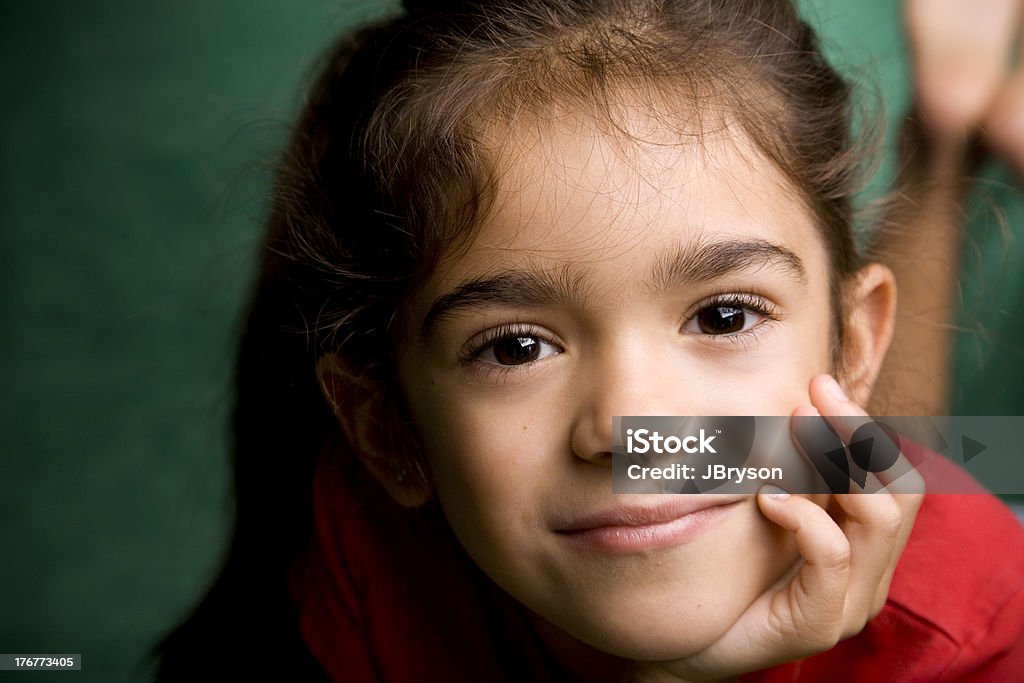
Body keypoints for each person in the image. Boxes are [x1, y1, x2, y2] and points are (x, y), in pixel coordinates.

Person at [153, 0, 1024, 680]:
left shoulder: (983, 630)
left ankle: (941, 141)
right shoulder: (370, 551)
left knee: (885, 462)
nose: (628, 424)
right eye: (515, 347)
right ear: (386, 429)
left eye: (724, 315)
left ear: (861, 342)